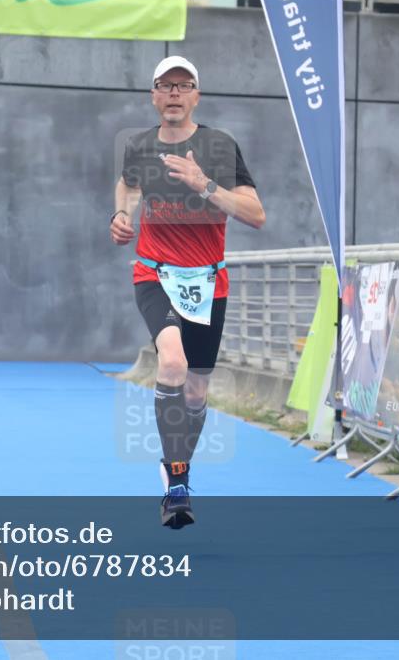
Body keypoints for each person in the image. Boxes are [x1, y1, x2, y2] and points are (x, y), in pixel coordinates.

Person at [111, 56, 265, 529]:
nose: (174, 93)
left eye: (184, 85)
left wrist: (205, 184)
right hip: (155, 274)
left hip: (208, 281)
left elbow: (255, 214)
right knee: (172, 363)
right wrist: (122, 215)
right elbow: (128, 185)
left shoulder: (220, 146)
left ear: (196, 96)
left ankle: (178, 466)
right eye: (166, 85)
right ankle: (176, 482)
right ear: (154, 96)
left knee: (196, 393)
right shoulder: (139, 146)